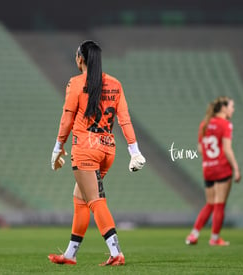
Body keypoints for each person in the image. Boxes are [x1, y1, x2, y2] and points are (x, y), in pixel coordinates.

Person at [48, 40, 146, 266]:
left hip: (85, 149)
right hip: (107, 150)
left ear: (80, 59)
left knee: (95, 200)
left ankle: (116, 252)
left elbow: (67, 119)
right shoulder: (115, 84)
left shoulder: (75, 83)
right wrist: (134, 151)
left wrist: (57, 148)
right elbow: (124, 120)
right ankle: (71, 254)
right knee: (80, 200)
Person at [185, 96, 241, 246]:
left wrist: (210, 160)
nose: (233, 110)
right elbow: (227, 149)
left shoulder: (204, 124)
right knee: (219, 204)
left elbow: (200, 149)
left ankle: (193, 235)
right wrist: (236, 167)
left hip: (208, 168)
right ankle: (215, 238)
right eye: (231, 106)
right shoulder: (226, 125)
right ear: (223, 108)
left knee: (209, 204)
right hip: (222, 168)